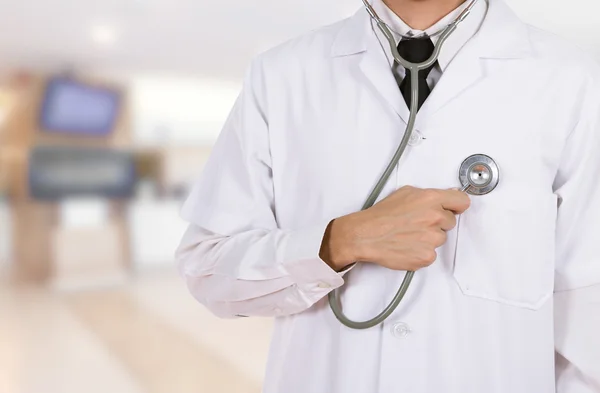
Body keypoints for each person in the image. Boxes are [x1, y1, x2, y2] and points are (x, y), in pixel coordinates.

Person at [175, 0, 600, 391]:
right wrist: (338, 242)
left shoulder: (573, 81)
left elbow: (588, 320)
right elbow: (209, 269)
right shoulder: (281, 75)